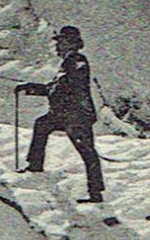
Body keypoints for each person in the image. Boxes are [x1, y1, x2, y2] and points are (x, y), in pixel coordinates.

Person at [20, 25, 104, 203]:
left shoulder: (76, 60)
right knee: (42, 125)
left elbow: (69, 86)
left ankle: (95, 192)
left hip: (76, 115)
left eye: (61, 42)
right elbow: (58, 87)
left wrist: (47, 90)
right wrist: (32, 88)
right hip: (68, 113)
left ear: (70, 43)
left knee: (87, 152)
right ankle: (34, 166)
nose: (57, 46)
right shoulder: (70, 61)